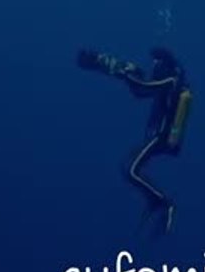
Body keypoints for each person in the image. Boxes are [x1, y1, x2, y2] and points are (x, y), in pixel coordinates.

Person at [77, 46, 193, 235]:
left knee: (131, 170)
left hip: (162, 138)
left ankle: (164, 202)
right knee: (127, 166)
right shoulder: (169, 83)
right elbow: (140, 92)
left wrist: (124, 73)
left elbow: (145, 87)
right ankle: (154, 200)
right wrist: (106, 66)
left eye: (157, 63)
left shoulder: (171, 81)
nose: (154, 67)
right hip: (158, 137)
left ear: (164, 64)